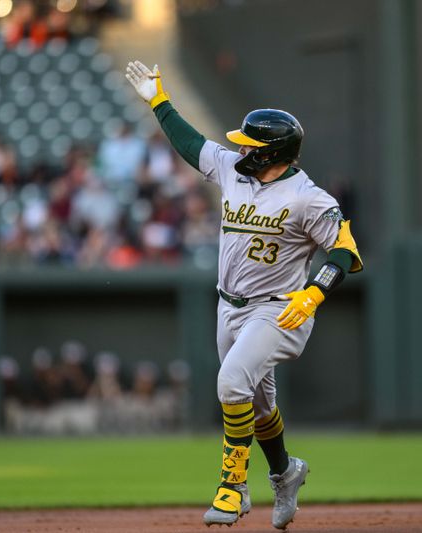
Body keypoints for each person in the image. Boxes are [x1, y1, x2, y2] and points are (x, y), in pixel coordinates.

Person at [126, 60, 364, 529]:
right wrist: (159, 100)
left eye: (251, 144)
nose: (241, 148)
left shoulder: (308, 198)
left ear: (273, 151)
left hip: (281, 310)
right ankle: (285, 472)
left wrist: (314, 295)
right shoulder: (235, 172)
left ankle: (233, 488)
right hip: (228, 306)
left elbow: (346, 250)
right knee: (258, 407)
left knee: (231, 384)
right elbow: (193, 145)